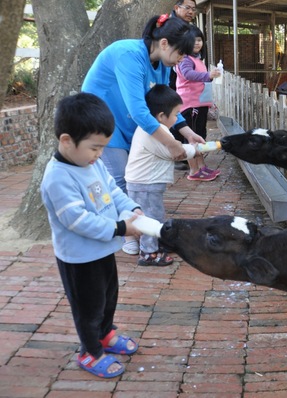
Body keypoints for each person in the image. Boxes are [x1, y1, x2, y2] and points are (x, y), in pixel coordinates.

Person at [81, 14, 203, 255]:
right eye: (180, 53)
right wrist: (172, 144)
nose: (180, 60)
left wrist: (187, 132)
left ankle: (136, 229)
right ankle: (125, 233)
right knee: (120, 179)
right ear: (165, 43)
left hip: (131, 123)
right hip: (102, 122)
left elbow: (164, 103)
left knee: (132, 180)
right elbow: (139, 111)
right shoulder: (129, 55)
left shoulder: (162, 63)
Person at [40, 93, 142, 379]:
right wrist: (121, 228)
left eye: (102, 148)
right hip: (78, 258)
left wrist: (131, 208)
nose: (99, 155)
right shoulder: (58, 176)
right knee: (88, 307)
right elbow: (77, 220)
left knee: (108, 298)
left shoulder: (92, 164)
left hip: (103, 250)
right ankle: (90, 351)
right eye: (94, 148)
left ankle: (106, 334)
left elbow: (112, 190)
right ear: (66, 141)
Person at [125, 84, 201, 265]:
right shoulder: (156, 132)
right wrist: (195, 150)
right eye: (175, 114)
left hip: (144, 183)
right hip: (145, 184)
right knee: (151, 217)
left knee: (151, 215)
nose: (177, 119)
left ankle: (154, 244)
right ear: (161, 116)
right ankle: (149, 253)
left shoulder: (150, 128)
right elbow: (175, 153)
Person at [175, 25, 221, 181]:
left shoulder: (197, 59)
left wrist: (209, 103)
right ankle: (193, 170)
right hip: (190, 105)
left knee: (200, 136)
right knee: (192, 139)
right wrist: (208, 74)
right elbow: (188, 74)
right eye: (193, 40)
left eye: (199, 40)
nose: (197, 43)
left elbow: (202, 84)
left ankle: (202, 167)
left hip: (199, 105)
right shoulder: (185, 59)